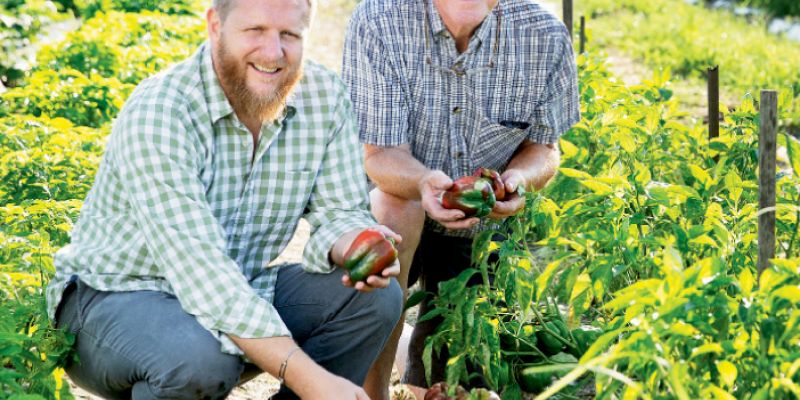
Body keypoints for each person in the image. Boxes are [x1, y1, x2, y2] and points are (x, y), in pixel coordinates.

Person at [46, 0, 404, 398]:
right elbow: (203, 273)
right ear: (215, 24)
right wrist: (313, 381)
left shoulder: (324, 97)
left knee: (373, 299)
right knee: (197, 359)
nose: (273, 53)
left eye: (289, 35)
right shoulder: (162, 111)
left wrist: (356, 244)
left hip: (237, 286)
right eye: (255, 31)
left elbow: (340, 211)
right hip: (112, 300)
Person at [342, 0, 580, 398]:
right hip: (391, 206)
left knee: (446, 387)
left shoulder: (543, 35)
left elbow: (543, 148)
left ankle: (407, 352)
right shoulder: (381, 20)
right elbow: (381, 155)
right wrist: (423, 183)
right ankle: (374, 390)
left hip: (478, 229)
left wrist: (519, 179)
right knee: (396, 209)